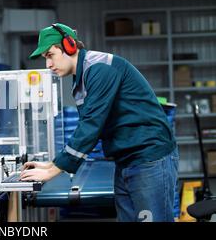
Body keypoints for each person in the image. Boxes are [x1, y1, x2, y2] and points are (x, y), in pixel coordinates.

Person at [20, 23, 178, 222]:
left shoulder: (99, 68)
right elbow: (88, 125)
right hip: (127, 160)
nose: (48, 65)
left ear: (69, 46)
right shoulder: (83, 77)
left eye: (50, 55)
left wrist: (53, 171)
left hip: (149, 157)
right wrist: (50, 164)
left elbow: (91, 125)